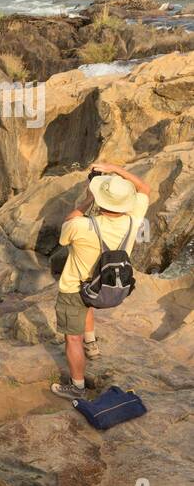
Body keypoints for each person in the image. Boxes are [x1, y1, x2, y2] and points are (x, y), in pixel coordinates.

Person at [51, 163, 151, 400]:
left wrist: (86, 202)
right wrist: (114, 168)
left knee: (71, 337)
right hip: (107, 285)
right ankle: (92, 344)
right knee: (87, 303)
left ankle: (77, 387)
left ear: (99, 199)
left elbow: (66, 230)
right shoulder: (133, 220)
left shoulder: (81, 225)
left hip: (76, 287)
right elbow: (144, 188)